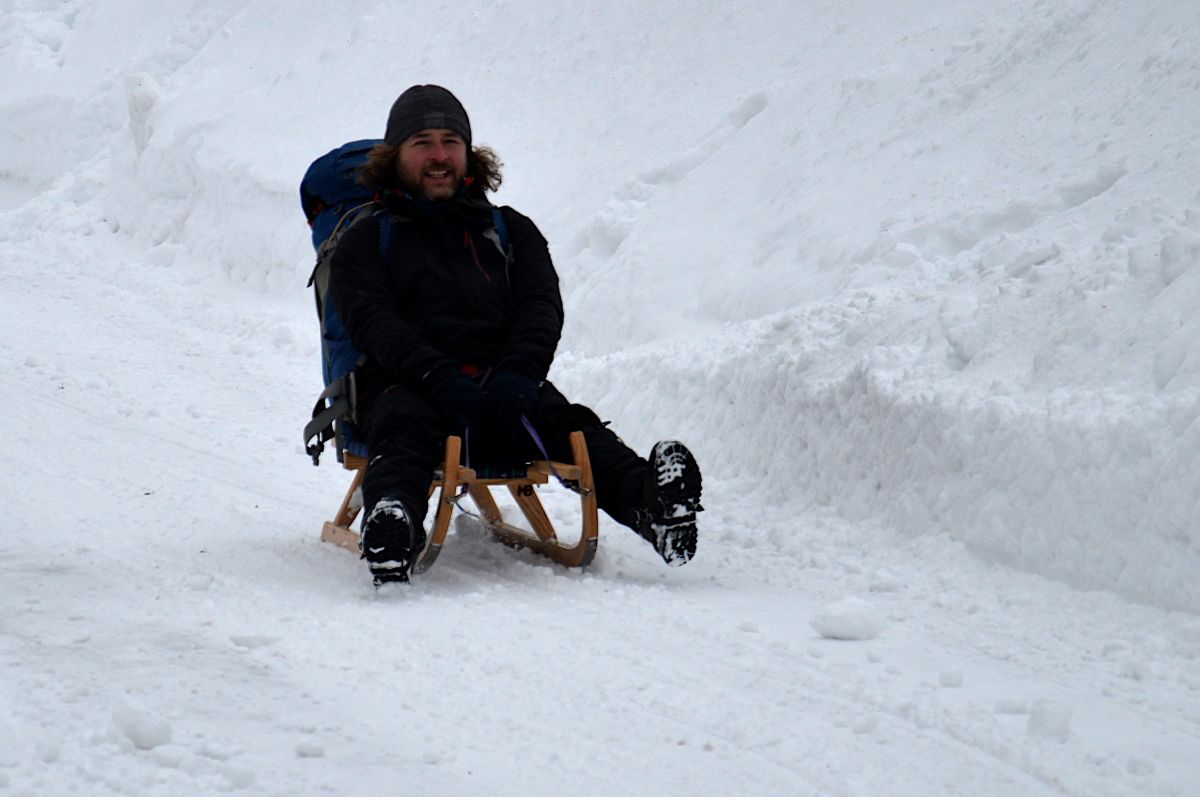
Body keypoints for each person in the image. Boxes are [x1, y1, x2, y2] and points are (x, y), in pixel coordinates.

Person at [329, 84, 703, 586]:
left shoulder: (511, 231)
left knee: (569, 425)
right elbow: (372, 320)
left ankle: (653, 508)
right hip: (405, 383)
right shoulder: (367, 238)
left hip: (498, 388)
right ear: (395, 154)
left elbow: (541, 307)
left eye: (450, 141)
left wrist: (518, 375)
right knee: (404, 426)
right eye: (422, 142)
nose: (439, 155)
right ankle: (393, 525)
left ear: (468, 152)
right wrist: (436, 375)